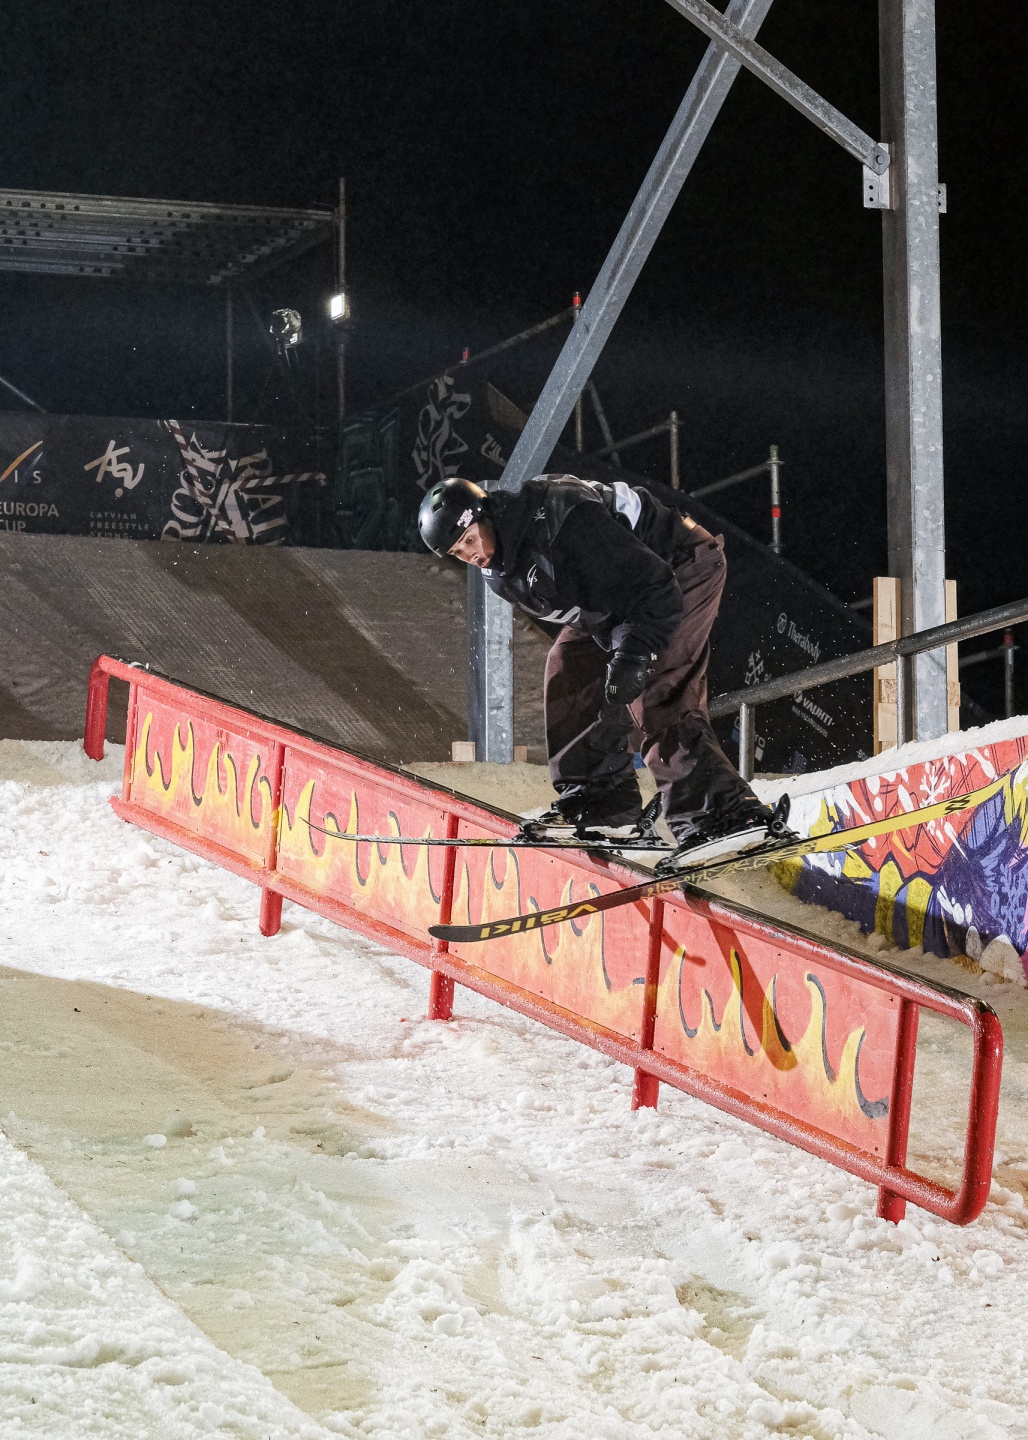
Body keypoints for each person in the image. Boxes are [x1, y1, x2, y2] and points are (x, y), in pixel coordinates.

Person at [418, 472, 781, 863]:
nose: (470, 555)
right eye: (458, 552)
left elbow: (654, 588)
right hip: (616, 600)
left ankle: (725, 814)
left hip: (676, 568)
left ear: (485, 515)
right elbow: (592, 604)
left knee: (656, 688)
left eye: (470, 539)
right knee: (569, 669)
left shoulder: (564, 521)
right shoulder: (499, 571)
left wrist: (634, 654)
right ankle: (602, 803)